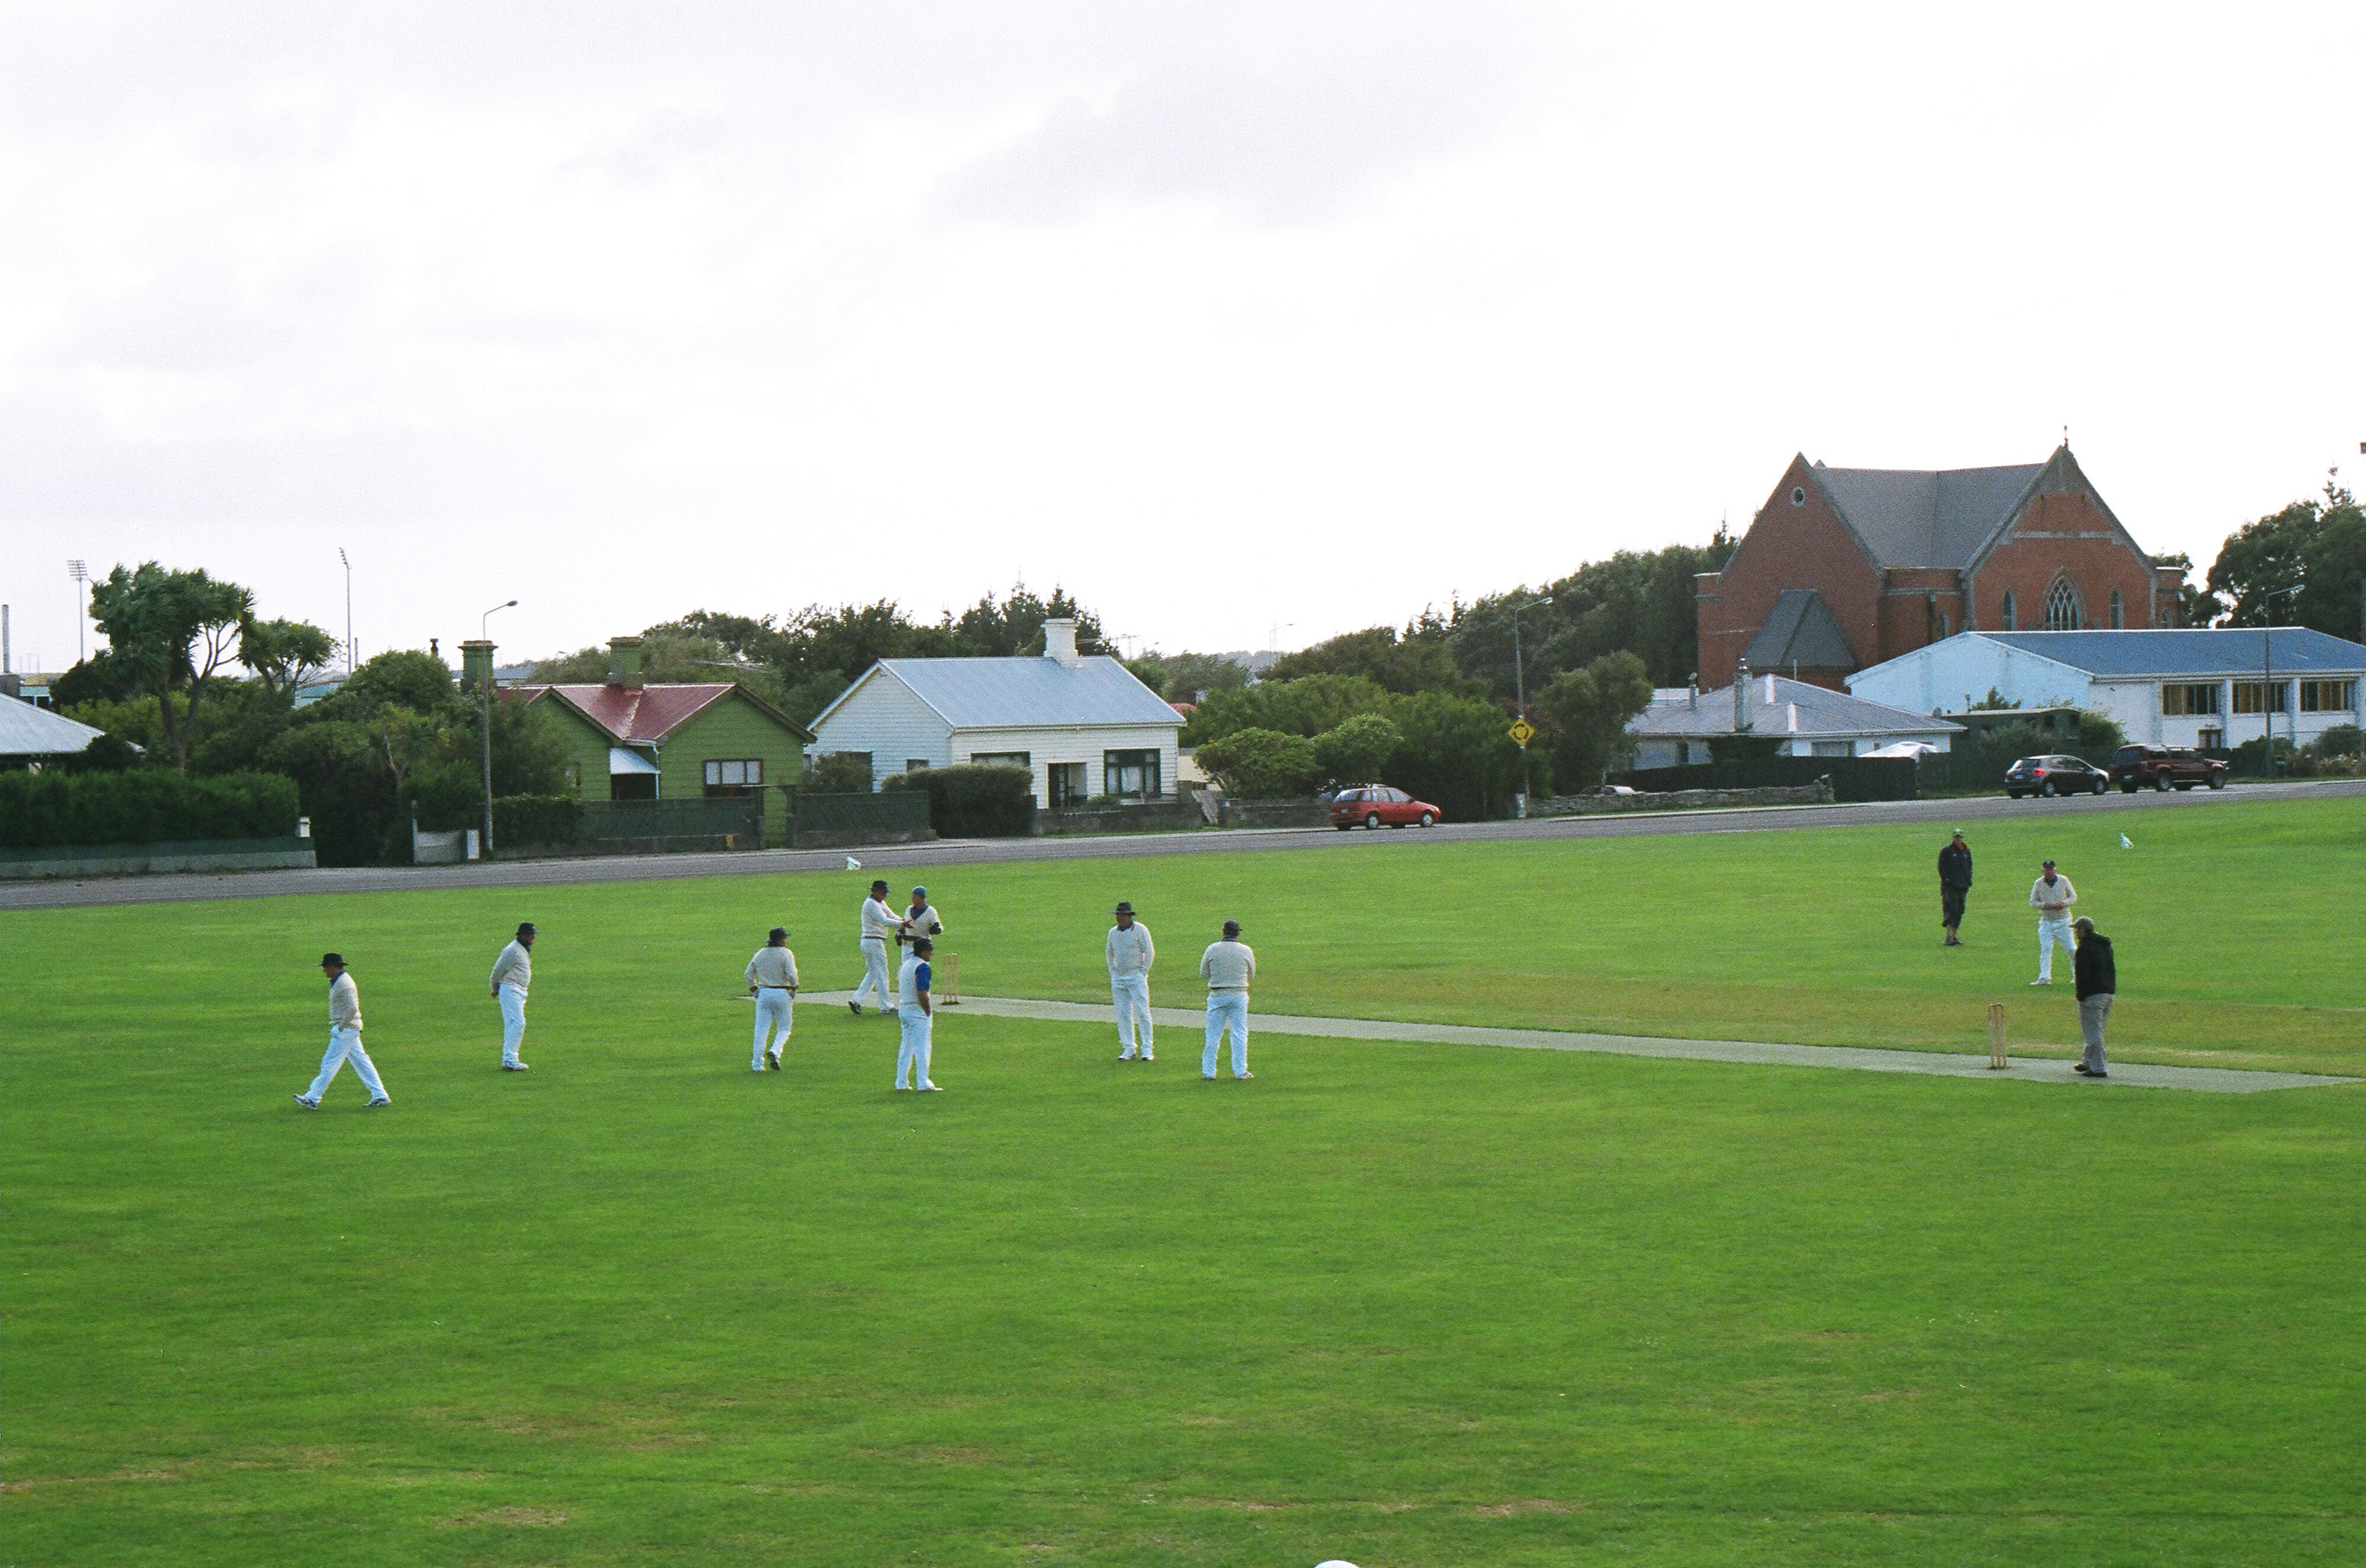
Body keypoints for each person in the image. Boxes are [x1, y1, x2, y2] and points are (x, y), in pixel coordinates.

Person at [295, 953, 389, 1109]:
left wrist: (341, 1026)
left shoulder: (345, 984)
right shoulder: (338, 981)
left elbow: (353, 1009)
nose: (324, 971)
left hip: (347, 1029)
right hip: (348, 1028)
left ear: (333, 967)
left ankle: (313, 1098)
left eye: (326, 968)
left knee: (330, 1063)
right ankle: (380, 1095)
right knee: (361, 1062)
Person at [1199, 918, 1255, 1081]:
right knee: (1239, 1033)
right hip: (1239, 994)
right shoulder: (1246, 950)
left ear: (1223, 931)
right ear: (1237, 933)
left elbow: (1203, 973)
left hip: (1217, 995)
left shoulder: (1213, 949)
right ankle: (1240, 1071)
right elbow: (1251, 974)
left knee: (1213, 1035)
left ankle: (1209, 1072)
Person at [1107, 901, 1156, 1061]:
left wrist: (1142, 973)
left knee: (1143, 1012)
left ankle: (1147, 1049)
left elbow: (1149, 953)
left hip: (1136, 976)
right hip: (1119, 978)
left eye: (1121, 915)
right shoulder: (1113, 933)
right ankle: (1129, 1048)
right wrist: (1114, 973)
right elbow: (1109, 954)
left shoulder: (1140, 930)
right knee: (1123, 1014)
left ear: (1129, 916)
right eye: (1117, 915)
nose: (1119, 918)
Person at [746, 926, 799, 1072]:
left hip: (764, 993)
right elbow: (792, 976)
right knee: (785, 1028)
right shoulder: (786, 954)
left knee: (761, 1030)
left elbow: (748, 975)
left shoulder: (760, 954)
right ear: (781, 940)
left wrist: (755, 990)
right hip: (782, 993)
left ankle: (757, 1064)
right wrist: (794, 989)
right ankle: (775, 1051)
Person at [489, 922, 537, 1070]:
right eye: (530, 935)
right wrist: (494, 986)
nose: (533, 937)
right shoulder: (512, 951)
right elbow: (499, 969)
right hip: (511, 989)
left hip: (519, 990)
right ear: (522, 935)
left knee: (514, 1023)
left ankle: (509, 1059)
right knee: (517, 1023)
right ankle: (510, 1059)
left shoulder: (522, 948)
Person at [895, 936, 941, 1091]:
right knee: (923, 1046)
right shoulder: (923, 967)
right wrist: (927, 1010)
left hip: (904, 1009)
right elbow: (922, 992)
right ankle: (923, 1081)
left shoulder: (906, 965)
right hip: (917, 1011)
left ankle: (901, 1082)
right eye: (930, 951)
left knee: (906, 1047)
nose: (931, 954)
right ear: (923, 951)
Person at [2071, 916, 2115, 1078]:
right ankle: (2087, 1061)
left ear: (2083, 931)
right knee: (2097, 1030)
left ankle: (2099, 1068)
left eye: (2077, 929)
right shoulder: (2105, 947)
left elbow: (2082, 975)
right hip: (2108, 993)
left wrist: (2081, 995)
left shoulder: (2084, 949)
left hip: (2092, 996)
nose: (2076, 932)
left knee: (2092, 1032)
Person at [851, 880, 900, 1016]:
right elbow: (884, 921)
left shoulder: (879, 903)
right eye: (883, 893)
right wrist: (903, 925)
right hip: (873, 941)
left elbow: (892, 916)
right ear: (875, 892)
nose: (885, 895)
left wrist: (904, 922)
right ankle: (886, 1006)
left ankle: (856, 1000)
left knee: (873, 973)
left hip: (870, 942)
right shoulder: (871, 904)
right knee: (882, 973)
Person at [2028, 859, 2078, 985]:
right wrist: (2045, 905)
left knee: (2071, 949)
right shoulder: (2039, 883)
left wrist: (2063, 904)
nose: (2048, 872)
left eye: (2050, 869)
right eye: (2046, 870)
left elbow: (2073, 897)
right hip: (2046, 922)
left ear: (2055, 870)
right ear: (2043, 871)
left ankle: (2078, 976)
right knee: (2046, 949)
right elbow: (2033, 902)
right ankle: (2044, 978)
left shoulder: (2063, 880)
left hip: (2064, 921)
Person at [1938, 829, 1973, 946]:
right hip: (1950, 887)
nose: (1958, 840)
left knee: (1960, 910)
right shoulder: (1947, 851)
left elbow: (1969, 867)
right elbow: (1942, 868)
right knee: (1951, 909)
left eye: (1960, 837)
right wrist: (1947, 881)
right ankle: (1949, 935)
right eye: (1956, 837)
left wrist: (1968, 881)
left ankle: (1955, 935)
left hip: (1962, 886)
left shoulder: (1966, 852)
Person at [899, 885, 945, 956]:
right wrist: (899, 933)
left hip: (922, 947)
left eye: (915, 896)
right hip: (908, 945)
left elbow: (939, 926)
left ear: (922, 898)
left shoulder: (930, 911)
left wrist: (936, 929)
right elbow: (904, 923)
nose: (912, 898)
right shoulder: (909, 909)